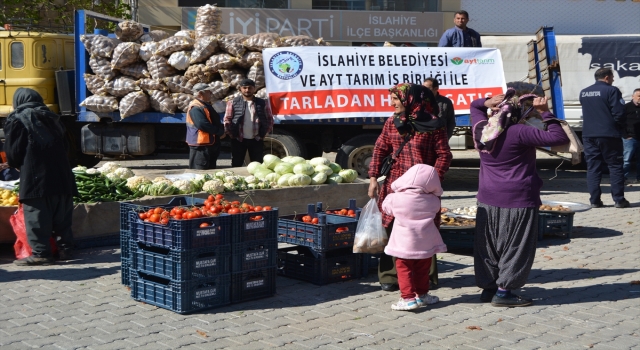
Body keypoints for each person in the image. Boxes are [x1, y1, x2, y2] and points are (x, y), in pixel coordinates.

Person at [470, 89, 569, 307]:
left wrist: (486, 102)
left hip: (487, 198)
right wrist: (546, 112)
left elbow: (475, 107)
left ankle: (489, 288)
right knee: (516, 245)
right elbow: (559, 137)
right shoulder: (519, 132)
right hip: (518, 198)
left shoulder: (481, 129)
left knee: (489, 245)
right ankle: (504, 292)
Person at [368, 83, 452, 292]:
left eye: (396, 99)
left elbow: (444, 155)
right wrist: (372, 178)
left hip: (424, 190)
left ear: (411, 99)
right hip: (395, 187)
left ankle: (427, 277)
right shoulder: (392, 122)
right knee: (392, 227)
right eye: (392, 98)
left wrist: (433, 179)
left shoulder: (434, 124)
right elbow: (380, 148)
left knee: (425, 229)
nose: (392, 103)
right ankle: (389, 276)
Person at [4, 88, 78, 266]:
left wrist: (18, 164)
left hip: (36, 178)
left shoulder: (17, 120)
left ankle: (41, 254)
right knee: (61, 215)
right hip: (62, 176)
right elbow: (67, 148)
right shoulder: (53, 118)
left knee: (37, 216)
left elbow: (13, 154)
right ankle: (66, 249)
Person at [381, 164, 447, 311]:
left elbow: (386, 208)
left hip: (404, 243)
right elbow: (436, 210)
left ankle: (408, 299)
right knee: (423, 270)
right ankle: (422, 294)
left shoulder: (395, 198)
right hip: (425, 243)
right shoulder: (433, 200)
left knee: (404, 269)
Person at [579, 68, 629, 208]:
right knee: (615, 166)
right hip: (609, 134)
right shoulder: (612, 90)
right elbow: (619, 112)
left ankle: (595, 200)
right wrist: (621, 127)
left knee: (593, 167)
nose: (613, 80)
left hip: (589, 134)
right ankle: (619, 200)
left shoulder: (584, 92)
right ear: (607, 77)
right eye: (612, 77)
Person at [224, 78, 274, 167]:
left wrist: (265, 133)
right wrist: (231, 134)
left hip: (256, 139)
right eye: (245, 88)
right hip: (238, 139)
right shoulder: (233, 102)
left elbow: (269, 118)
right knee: (237, 163)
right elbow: (227, 119)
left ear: (254, 89)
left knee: (257, 164)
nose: (247, 90)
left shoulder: (262, 103)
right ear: (240, 89)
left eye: (250, 88)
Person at [186, 83, 226, 170]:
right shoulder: (196, 107)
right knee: (199, 171)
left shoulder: (205, 105)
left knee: (209, 170)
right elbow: (202, 124)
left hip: (208, 143)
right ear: (200, 93)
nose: (211, 93)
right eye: (208, 92)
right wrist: (219, 132)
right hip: (200, 145)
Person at [622, 88, 640, 184]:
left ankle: (639, 178)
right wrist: (625, 135)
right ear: (633, 96)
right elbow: (620, 122)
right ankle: (623, 178)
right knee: (627, 160)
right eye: (639, 96)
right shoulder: (627, 107)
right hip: (630, 138)